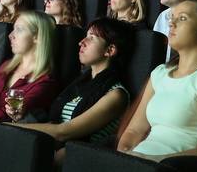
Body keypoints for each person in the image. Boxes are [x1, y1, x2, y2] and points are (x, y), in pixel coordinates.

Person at [117, 0, 197, 161]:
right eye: (172, 18)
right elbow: (134, 131)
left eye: (183, 18)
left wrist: (151, 161)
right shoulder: (159, 73)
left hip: (172, 167)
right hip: (138, 161)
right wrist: (122, 158)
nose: (172, 24)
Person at [12, 18, 135, 164]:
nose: (81, 42)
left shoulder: (116, 95)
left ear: (110, 50)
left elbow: (63, 132)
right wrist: (21, 119)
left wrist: (13, 128)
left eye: (91, 38)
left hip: (80, 160)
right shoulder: (81, 83)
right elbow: (54, 123)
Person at [0, 11, 58, 122]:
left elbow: (7, 115)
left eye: (19, 30)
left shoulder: (45, 83)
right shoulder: (7, 66)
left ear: (37, 37)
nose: (10, 35)